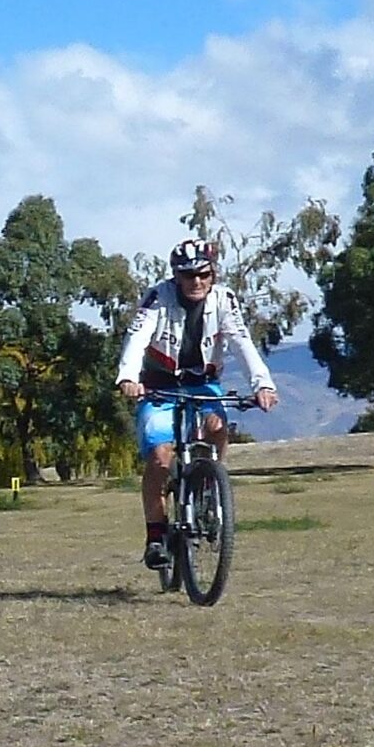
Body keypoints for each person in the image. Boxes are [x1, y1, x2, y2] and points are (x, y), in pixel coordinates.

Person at [114, 237, 278, 570]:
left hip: (203, 383)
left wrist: (262, 385)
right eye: (188, 276)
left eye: (204, 274)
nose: (197, 282)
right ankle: (156, 538)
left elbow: (241, 343)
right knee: (160, 458)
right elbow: (137, 337)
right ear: (176, 276)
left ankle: (207, 481)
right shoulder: (159, 298)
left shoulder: (224, 300)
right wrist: (129, 378)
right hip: (158, 386)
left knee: (217, 427)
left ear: (212, 273)